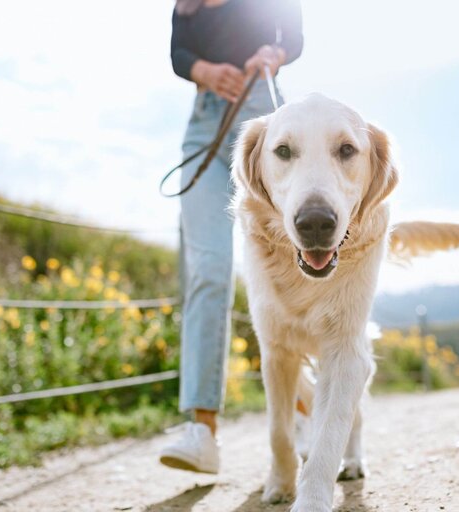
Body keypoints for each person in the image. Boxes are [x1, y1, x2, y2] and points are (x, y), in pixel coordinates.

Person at [159, 0, 303, 474]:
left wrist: (272, 54)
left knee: (285, 260)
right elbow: (179, 51)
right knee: (209, 268)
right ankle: (202, 430)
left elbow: (293, 37)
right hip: (203, 125)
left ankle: (305, 408)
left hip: (261, 113)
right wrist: (203, 69)